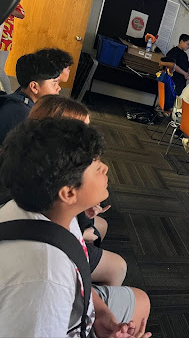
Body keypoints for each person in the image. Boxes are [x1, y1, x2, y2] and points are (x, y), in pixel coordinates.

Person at [0, 118, 151, 337]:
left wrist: (101, 314)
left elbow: (79, 279)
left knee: (140, 300)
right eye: (95, 165)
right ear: (69, 193)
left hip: (77, 308)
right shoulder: (47, 282)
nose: (105, 167)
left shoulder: (49, 210)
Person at [28, 95, 127, 286]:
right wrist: (82, 236)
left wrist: (84, 211)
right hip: (60, 244)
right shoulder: (54, 177)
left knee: (101, 226)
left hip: (67, 234)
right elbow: (46, 229)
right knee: (119, 266)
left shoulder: (39, 161)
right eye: (81, 130)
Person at [0, 52, 61, 145]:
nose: (58, 88)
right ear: (34, 87)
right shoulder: (22, 114)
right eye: (54, 83)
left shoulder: (21, 102)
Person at [0, 4, 25, 94]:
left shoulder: (12, 0)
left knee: (0, 70)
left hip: (4, 41)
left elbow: (22, 14)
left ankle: (9, 94)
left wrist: (7, 9)